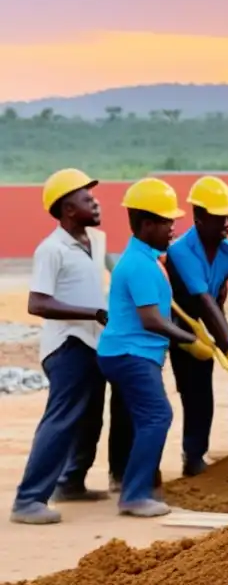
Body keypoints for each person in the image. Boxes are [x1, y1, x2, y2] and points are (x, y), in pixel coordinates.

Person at [10, 170, 131, 525]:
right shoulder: (51, 249)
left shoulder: (97, 239)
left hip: (93, 343)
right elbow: (38, 303)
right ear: (67, 208)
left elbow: (114, 273)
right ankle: (28, 499)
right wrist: (92, 312)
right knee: (62, 419)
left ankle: (71, 482)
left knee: (90, 416)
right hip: (66, 346)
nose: (95, 203)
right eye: (86, 199)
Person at [96, 178, 215, 518]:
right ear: (147, 224)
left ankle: (141, 484)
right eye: (166, 222)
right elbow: (151, 319)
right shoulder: (139, 265)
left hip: (133, 353)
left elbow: (163, 312)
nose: (172, 228)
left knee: (144, 417)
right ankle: (134, 494)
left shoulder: (147, 259)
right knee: (157, 416)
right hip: (131, 354)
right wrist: (191, 342)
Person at [163, 176, 228, 477]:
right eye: (219, 216)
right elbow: (202, 299)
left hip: (205, 323)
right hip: (176, 327)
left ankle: (196, 454)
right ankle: (192, 457)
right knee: (194, 391)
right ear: (198, 218)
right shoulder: (181, 251)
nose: (227, 222)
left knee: (204, 390)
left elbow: (218, 299)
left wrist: (224, 339)